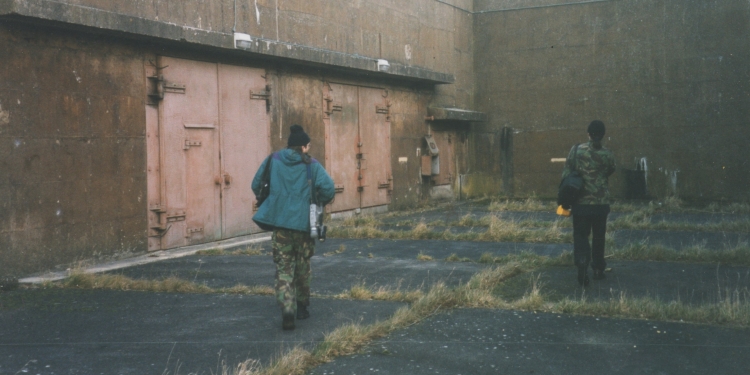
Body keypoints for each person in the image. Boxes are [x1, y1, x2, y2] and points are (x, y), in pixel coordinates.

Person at [252, 124, 335, 330]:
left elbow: (256, 184)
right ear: (304, 147)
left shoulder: (273, 160)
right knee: (303, 267)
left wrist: (273, 199)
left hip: (280, 226)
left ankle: (287, 307)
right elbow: (329, 189)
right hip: (304, 227)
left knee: (284, 267)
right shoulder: (312, 165)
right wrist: (316, 201)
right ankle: (302, 307)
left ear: (290, 146)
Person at [562, 120, 616, 286]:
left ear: (588, 134)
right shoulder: (607, 154)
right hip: (601, 204)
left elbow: (567, 173)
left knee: (581, 235)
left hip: (581, 203)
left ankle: (582, 264)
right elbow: (610, 171)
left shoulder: (576, 150)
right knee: (599, 237)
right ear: (603, 134)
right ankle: (598, 269)